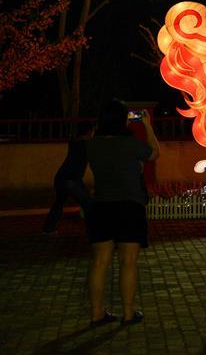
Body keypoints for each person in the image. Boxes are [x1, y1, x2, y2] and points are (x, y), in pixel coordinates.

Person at [85, 100, 160, 327]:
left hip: (101, 206)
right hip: (129, 206)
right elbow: (154, 154)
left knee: (99, 262)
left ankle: (97, 313)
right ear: (122, 119)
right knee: (128, 262)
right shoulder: (130, 143)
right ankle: (128, 313)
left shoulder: (92, 145)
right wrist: (147, 126)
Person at [42, 120, 94, 235]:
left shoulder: (74, 142)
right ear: (89, 131)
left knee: (59, 202)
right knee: (88, 204)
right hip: (72, 179)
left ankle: (48, 228)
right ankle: (94, 233)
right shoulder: (87, 144)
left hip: (61, 177)